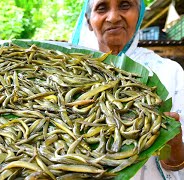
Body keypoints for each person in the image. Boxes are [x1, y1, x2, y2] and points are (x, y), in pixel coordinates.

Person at [70, 0, 184, 179]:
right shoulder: (71, 73)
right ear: (88, 20)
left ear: (139, 14)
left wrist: (173, 146)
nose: (113, 17)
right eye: (102, 8)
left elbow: (174, 164)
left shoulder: (168, 72)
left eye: (125, 5)